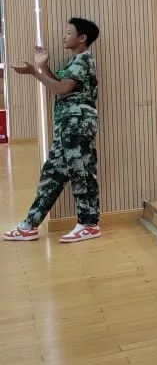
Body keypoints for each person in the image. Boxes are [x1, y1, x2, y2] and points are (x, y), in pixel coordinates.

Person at [5, 18, 102, 244]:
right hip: (68, 126)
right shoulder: (75, 61)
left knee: (81, 172)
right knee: (52, 174)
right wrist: (42, 66)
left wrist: (34, 72)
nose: (63, 36)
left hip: (78, 124)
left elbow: (61, 89)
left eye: (68, 33)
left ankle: (89, 224)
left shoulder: (83, 60)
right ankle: (29, 225)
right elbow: (60, 84)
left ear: (82, 38)